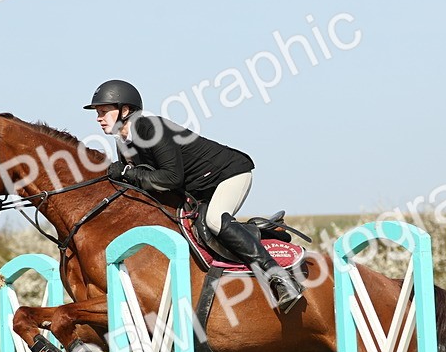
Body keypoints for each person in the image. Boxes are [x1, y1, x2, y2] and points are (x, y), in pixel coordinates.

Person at [84, 79, 303, 313]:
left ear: (125, 110)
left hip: (229, 175)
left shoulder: (150, 128)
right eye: (98, 112)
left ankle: (280, 278)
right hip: (199, 189)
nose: (99, 117)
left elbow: (170, 179)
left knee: (215, 221)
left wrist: (128, 172)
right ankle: (266, 232)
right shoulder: (123, 142)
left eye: (104, 111)